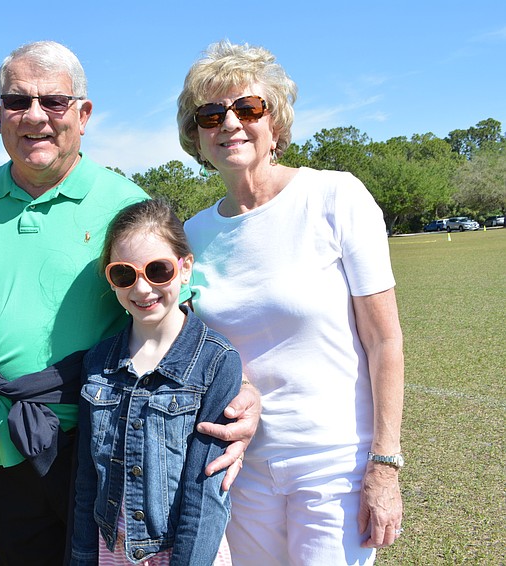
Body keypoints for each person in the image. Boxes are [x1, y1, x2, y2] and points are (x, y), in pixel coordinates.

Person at [0, 40, 261, 566]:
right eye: (17, 102)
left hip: (101, 445)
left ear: (83, 115)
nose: (35, 116)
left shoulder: (125, 202)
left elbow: (179, 314)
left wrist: (241, 388)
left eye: (54, 102)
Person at [176, 40, 405, 565]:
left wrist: (384, 465)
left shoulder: (336, 197)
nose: (229, 123)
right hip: (238, 467)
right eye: (210, 115)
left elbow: (384, 339)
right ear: (196, 136)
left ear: (274, 121)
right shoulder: (192, 235)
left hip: (335, 466)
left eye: (248, 108)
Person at [70, 199, 241, 565]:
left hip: (182, 552)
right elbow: (87, 479)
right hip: (110, 550)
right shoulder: (98, 361)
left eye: (157, 270)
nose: (143, 289)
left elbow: (207, 492)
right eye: (124, 274)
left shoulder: (217, 361)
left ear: (184, 268)